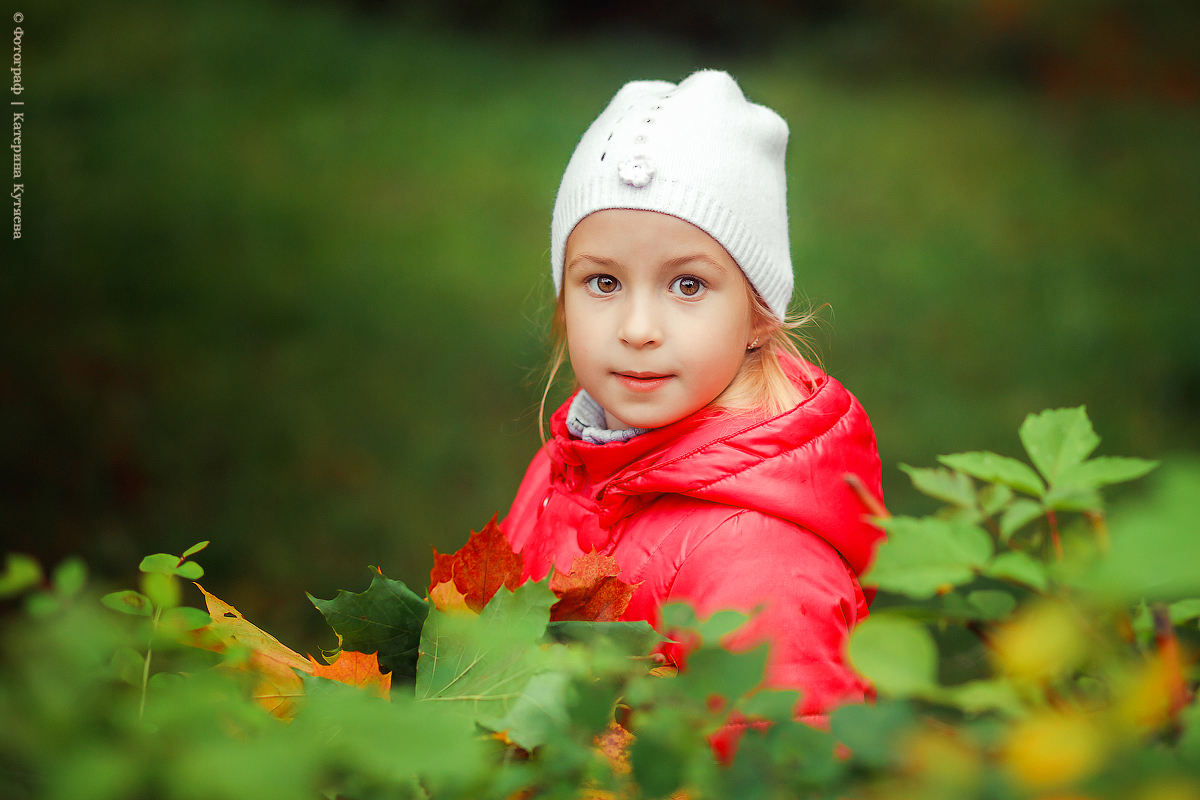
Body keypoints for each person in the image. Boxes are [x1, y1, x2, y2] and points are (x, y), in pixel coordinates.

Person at [501, 70, 887, 741]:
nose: (638, 326)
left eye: (687, 284)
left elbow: (788, 772)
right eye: (602, 281)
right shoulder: (567, 467)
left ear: (760, 315)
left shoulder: (763, 561)